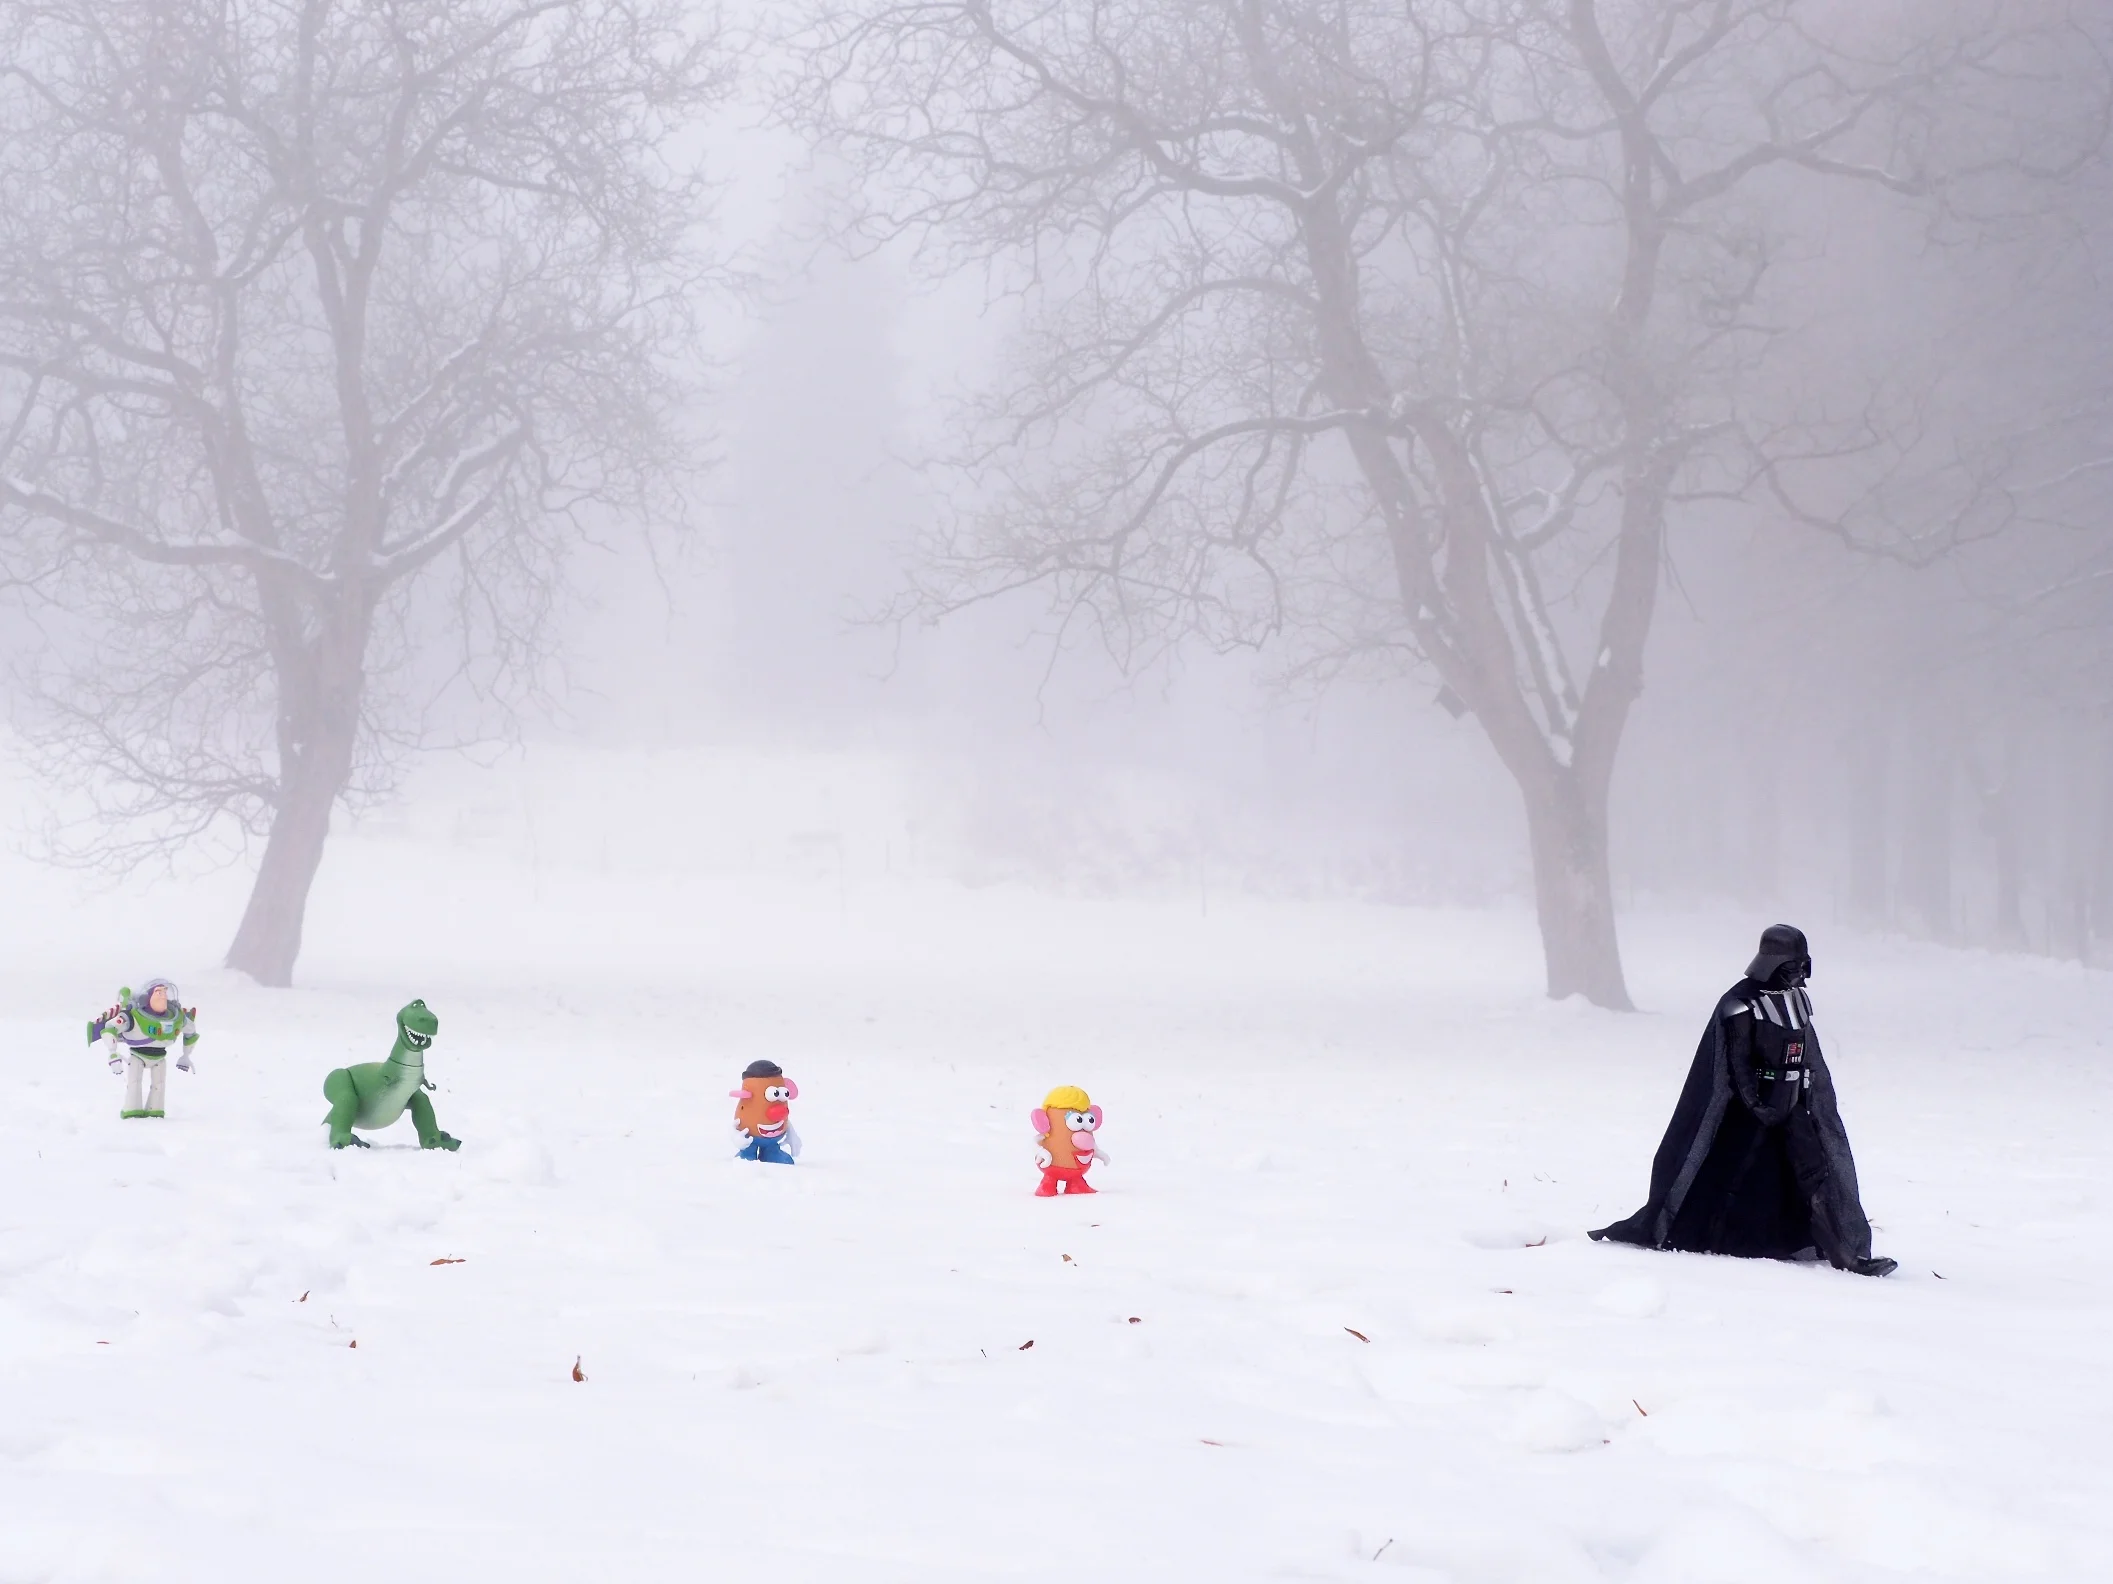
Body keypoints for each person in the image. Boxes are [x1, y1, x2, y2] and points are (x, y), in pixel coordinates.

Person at [1591, 926, 1896, 1277]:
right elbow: (1735, 1063)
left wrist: (1806, 1096)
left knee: (1816, 1174)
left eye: (1802, 965)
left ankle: (1845, 1254)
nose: (1800, 974)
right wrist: (1756, 1104)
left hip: (1791, 1104)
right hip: (1745, 1114)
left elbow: (1804, 1053)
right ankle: (1710, 1235)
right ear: (1774, 962)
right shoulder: (1739, 1003)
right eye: (1793, 965)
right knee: (1728, 1175)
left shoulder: (1795, 999)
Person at [88, 978, 199, 1120]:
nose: (163, 995)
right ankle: (132, 1110)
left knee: (159, 1085)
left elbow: (191, 1032)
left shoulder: (177, 1018)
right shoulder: (133, 1016)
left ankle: (155, 1111)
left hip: (159, 1057)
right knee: (134, 1083)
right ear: (148, 997)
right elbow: (110, 1028)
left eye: (165, 992)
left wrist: (186, 1055)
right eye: (158, 992)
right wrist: (112, 1053)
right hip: (137, 1056)